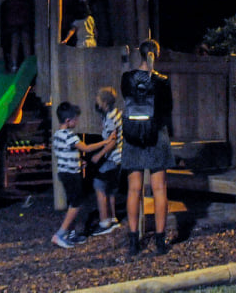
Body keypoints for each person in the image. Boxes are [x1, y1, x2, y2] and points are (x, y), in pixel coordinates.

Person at [120, 39, 174, 256]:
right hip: (156, 135)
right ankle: (160, 241)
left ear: (140, 55)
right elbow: (168, 109)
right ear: (156, 55)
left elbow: (127, 99)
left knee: (134, 190)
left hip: (133, 135)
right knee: (159, 189)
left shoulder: (127, 79)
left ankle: (134, 241)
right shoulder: (162, 81)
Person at [51, 101, 114, 248]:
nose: (77, 122)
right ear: (68, 120)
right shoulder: (69, 136)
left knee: (73, 203)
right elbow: (86, 148)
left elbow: (64, 153)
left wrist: (78, 162)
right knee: (76, 204)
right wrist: (106, 142)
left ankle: (71, 233)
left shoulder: (57, 135)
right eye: (75, 119)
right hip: (71, 175)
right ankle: (60, 234)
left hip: (64, 173)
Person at [90, 86, 123, 236]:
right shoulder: (115, 114)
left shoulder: (110, 118)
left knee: (99, 185)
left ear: (104, 102)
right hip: (119, 158)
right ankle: (113, 218)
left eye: (98, 99)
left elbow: (112, 142)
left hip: (113, 158)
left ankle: (104, 223)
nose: (96, 101)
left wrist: (99, 155)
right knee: (111, 189)